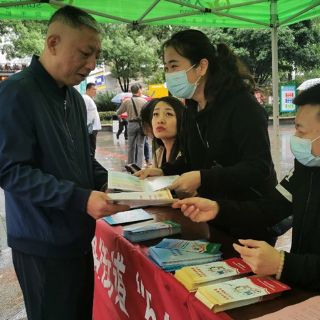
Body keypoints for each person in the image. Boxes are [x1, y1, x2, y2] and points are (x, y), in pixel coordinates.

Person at [0, 6, 129, 320]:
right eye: (85, 53)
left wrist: (113, 183)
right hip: (42, 243)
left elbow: (80, 158)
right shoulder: (15, 93)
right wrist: (80, 198)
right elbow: (10, 171)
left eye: (96, 54)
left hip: (77, 236)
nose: (92, 64)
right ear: (53, 43)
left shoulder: (71, 97)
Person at [135, 29, 278, 244]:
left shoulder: (242, 106)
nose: (169, 74)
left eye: (174, 66)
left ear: (202, 66)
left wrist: (202, 177)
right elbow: (192, 160)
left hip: (251, 216)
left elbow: (258, 167)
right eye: (166, 68)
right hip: (214, 212)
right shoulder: (192, 107)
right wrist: (163, 170)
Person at [172, 83, 320, 291]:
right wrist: (217, 209)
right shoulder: (308, 166)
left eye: (300, 131)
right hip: (304, 291)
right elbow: (270, 208)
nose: (295, 139)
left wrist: (283, 264)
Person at [116, 84, 146, 168]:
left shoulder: (127, 101)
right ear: (139, 90)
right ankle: (140, 166)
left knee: (131, 146)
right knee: (140, 146)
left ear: (131, 91)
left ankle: (130, 165)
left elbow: (118, 112)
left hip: (131, 124)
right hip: (141, 125)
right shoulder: (144, 101)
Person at [83, 82, 101, 156]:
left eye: (96, 89)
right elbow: (84, 112)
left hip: (93, 128)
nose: (95, 91)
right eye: (94, 89)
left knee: (92, 147)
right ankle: (91, 164)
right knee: (91, 148)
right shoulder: (86, 98)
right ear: (88, 89)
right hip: (90, 128)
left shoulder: (89, 99)